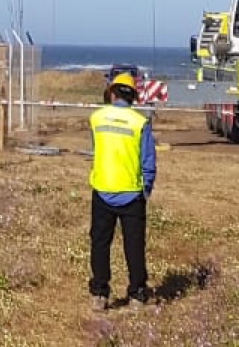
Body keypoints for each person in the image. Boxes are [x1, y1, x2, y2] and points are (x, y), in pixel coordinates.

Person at [88, 69, 156, 310]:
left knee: (99, 244)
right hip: (132, 194)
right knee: (134, 247)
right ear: (133, 97)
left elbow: (96, 148)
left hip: (102, 189)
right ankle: (137, 294)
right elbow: (148, 161)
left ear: (112, 93)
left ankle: (100, 293)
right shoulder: (140, 123)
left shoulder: (97, 118)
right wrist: (145, 189)